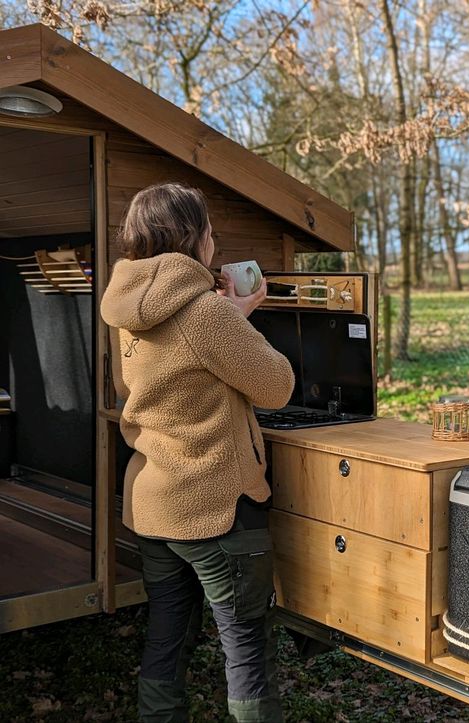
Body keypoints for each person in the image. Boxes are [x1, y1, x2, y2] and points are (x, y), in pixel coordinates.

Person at [101, 182, 295, 722]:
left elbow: (155, 380)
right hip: (215, 506)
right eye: (209, 229)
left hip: (154, 502)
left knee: (167, 636)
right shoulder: (205, 315)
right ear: (193, 238)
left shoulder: (126, 313)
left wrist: (232, 322)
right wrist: (235, 318)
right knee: (246, 649)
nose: (214, 239)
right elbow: (276, 385)